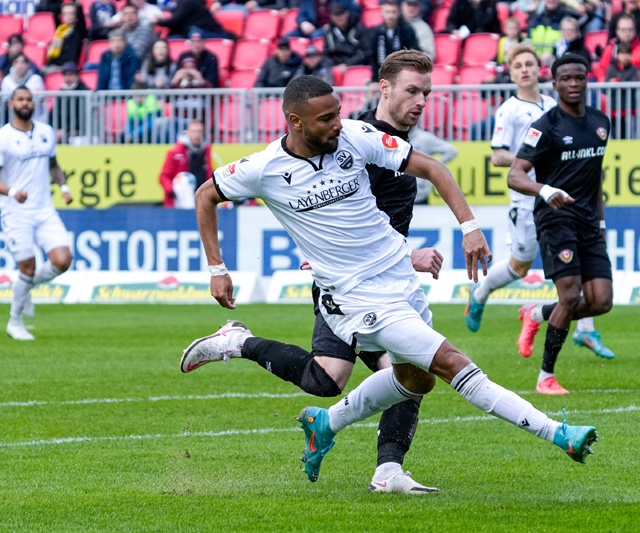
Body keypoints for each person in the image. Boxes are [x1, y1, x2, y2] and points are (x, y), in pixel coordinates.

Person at [181, 74, 600, 488]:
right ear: (295, 122)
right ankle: (558, 433)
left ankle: (327, 424)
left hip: (399, 280)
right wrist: (217, 269)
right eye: (326, 119)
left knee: (416, 380)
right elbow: (205, 196)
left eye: (338, 113)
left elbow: (432, 167)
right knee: (452, 363)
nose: (338, 124)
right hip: (354, 295)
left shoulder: (356, 136)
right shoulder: (263, 168)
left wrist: (469, 227)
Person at [181, 51, 446, 494]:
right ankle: (240, 344)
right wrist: (407, 254)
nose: (420, 102)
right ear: (385, 89)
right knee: (392, 373)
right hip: (347, 286)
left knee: (348, 377)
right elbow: (337, 218)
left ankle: (384, 470)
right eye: (411, 91)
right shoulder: (350, 140)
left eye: (426, 93)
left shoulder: (390, 146)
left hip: (384, 282)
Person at [466, 44, 615, 369]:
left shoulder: (556, 103)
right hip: (529, 199)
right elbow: (498, 156)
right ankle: (480, 294)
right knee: (520, 266)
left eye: (530, 64)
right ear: (511, 73)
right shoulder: (510, 110)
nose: (525, 70)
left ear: (540, 71)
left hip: (569, 206)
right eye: (518, 65)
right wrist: (535, 157)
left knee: (579, 280)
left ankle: (585, 329)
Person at [506, 54, 615, 395]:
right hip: (555, 218)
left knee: (601, 301)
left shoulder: (600, 122)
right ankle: (545, 378)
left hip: (588, 222)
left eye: (578, 77)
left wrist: (600, 224)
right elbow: (515, 175)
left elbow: (595, 178)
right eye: (565, 79)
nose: (573, 84)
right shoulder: (545, 126)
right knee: (570, 295)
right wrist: (545, 190)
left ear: (587, 80)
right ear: (554, 84)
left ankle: (536, 313)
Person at [0, 87, 73, 341]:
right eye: (20, 99)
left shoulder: (45, 132)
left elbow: (53, 165)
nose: (25, 103)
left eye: (29, 99)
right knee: (27, 266)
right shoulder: (2, 138)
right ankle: (15, 322)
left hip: (44, 208)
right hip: (16, 211)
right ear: (11, 104)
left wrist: (63, 186)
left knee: (63, 260)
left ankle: (24, 287)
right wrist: (12, 192)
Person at [159, 119, 214, 207]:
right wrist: (173, 191)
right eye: (194, 131)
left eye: (199, 131)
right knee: (184, 179)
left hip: (201, 194)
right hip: (180, 198)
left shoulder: (206, 150)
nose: (197, 135)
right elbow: (164, 176)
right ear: (187, 132)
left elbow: (208, 174)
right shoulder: (175, 151)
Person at [594, 14, 640, 82]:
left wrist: (627, 83)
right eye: (623, 30)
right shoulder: (610, 49)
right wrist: (607, 83)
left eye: (630, 29)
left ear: (635, 31)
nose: (627, 32)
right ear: (617, 31)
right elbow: (601, 72)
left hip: (636, 88)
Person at [368, 0, 419, 83]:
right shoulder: (375, 31)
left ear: (398, 13)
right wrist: (374, 80)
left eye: (393, 12)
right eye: (387, 12)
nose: (390, 15)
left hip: (403, 75)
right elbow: (372, 56)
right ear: (382, 13)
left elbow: (413, 53)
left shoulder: (407, 30)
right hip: (381, 74)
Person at [408, 126, 458, 204]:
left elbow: (451, 151)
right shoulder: (393, 138)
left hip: (419, 195)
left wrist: (432, 166)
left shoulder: (425, 138)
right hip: (396, 194)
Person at [529, 0, 579, 66]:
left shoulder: (567, 16)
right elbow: (528, 39)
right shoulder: (536, 17)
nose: (551, 0)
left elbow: (572, 43)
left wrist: (552, 55)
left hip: (557, 62)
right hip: (535, 61)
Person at [49, 62, 89, 143]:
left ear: (77, 76)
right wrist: (56, 129)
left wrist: (65, 130)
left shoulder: (85, 93)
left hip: (79, 132)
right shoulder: (61, 93)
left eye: (71, 74)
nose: (68, 78)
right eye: (65, 75)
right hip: (63, 132)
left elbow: (82, 119)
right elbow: (53, 115)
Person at [323, 2, 369, 71]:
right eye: (336, 15)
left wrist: (348, 64)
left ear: (347, 14)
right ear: (331, 17)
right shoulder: (329, 33)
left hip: (358, 65)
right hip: (337, 66)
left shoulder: (359, 27)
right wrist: (335, 66)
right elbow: (326, 54)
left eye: (341, 14)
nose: (339, 17)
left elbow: (366, 52)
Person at [44, 2, 87, 73]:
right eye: (66, 13)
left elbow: (81, 19)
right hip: (54, 65)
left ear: (76, 15)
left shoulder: (78, 30)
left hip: (67, 67)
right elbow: (54, 12)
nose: (68, 16)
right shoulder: (60, 30)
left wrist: (75, 4)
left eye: (71, 13)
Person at [156, 0, 230, 39]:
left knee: (195, 34)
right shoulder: (178, 3)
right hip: (190, 32)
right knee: (172, 38)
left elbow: (176, 20)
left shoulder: (187, 1)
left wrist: (158, 21)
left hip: (209, 31)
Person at [289, 0, 359, 39]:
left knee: (316, 35)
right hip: (311, 28)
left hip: (332, 29)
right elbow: (301, 15)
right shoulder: (307, 1)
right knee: (289, 36)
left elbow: (355, 12)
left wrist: (333, 24)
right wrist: (303, 22)